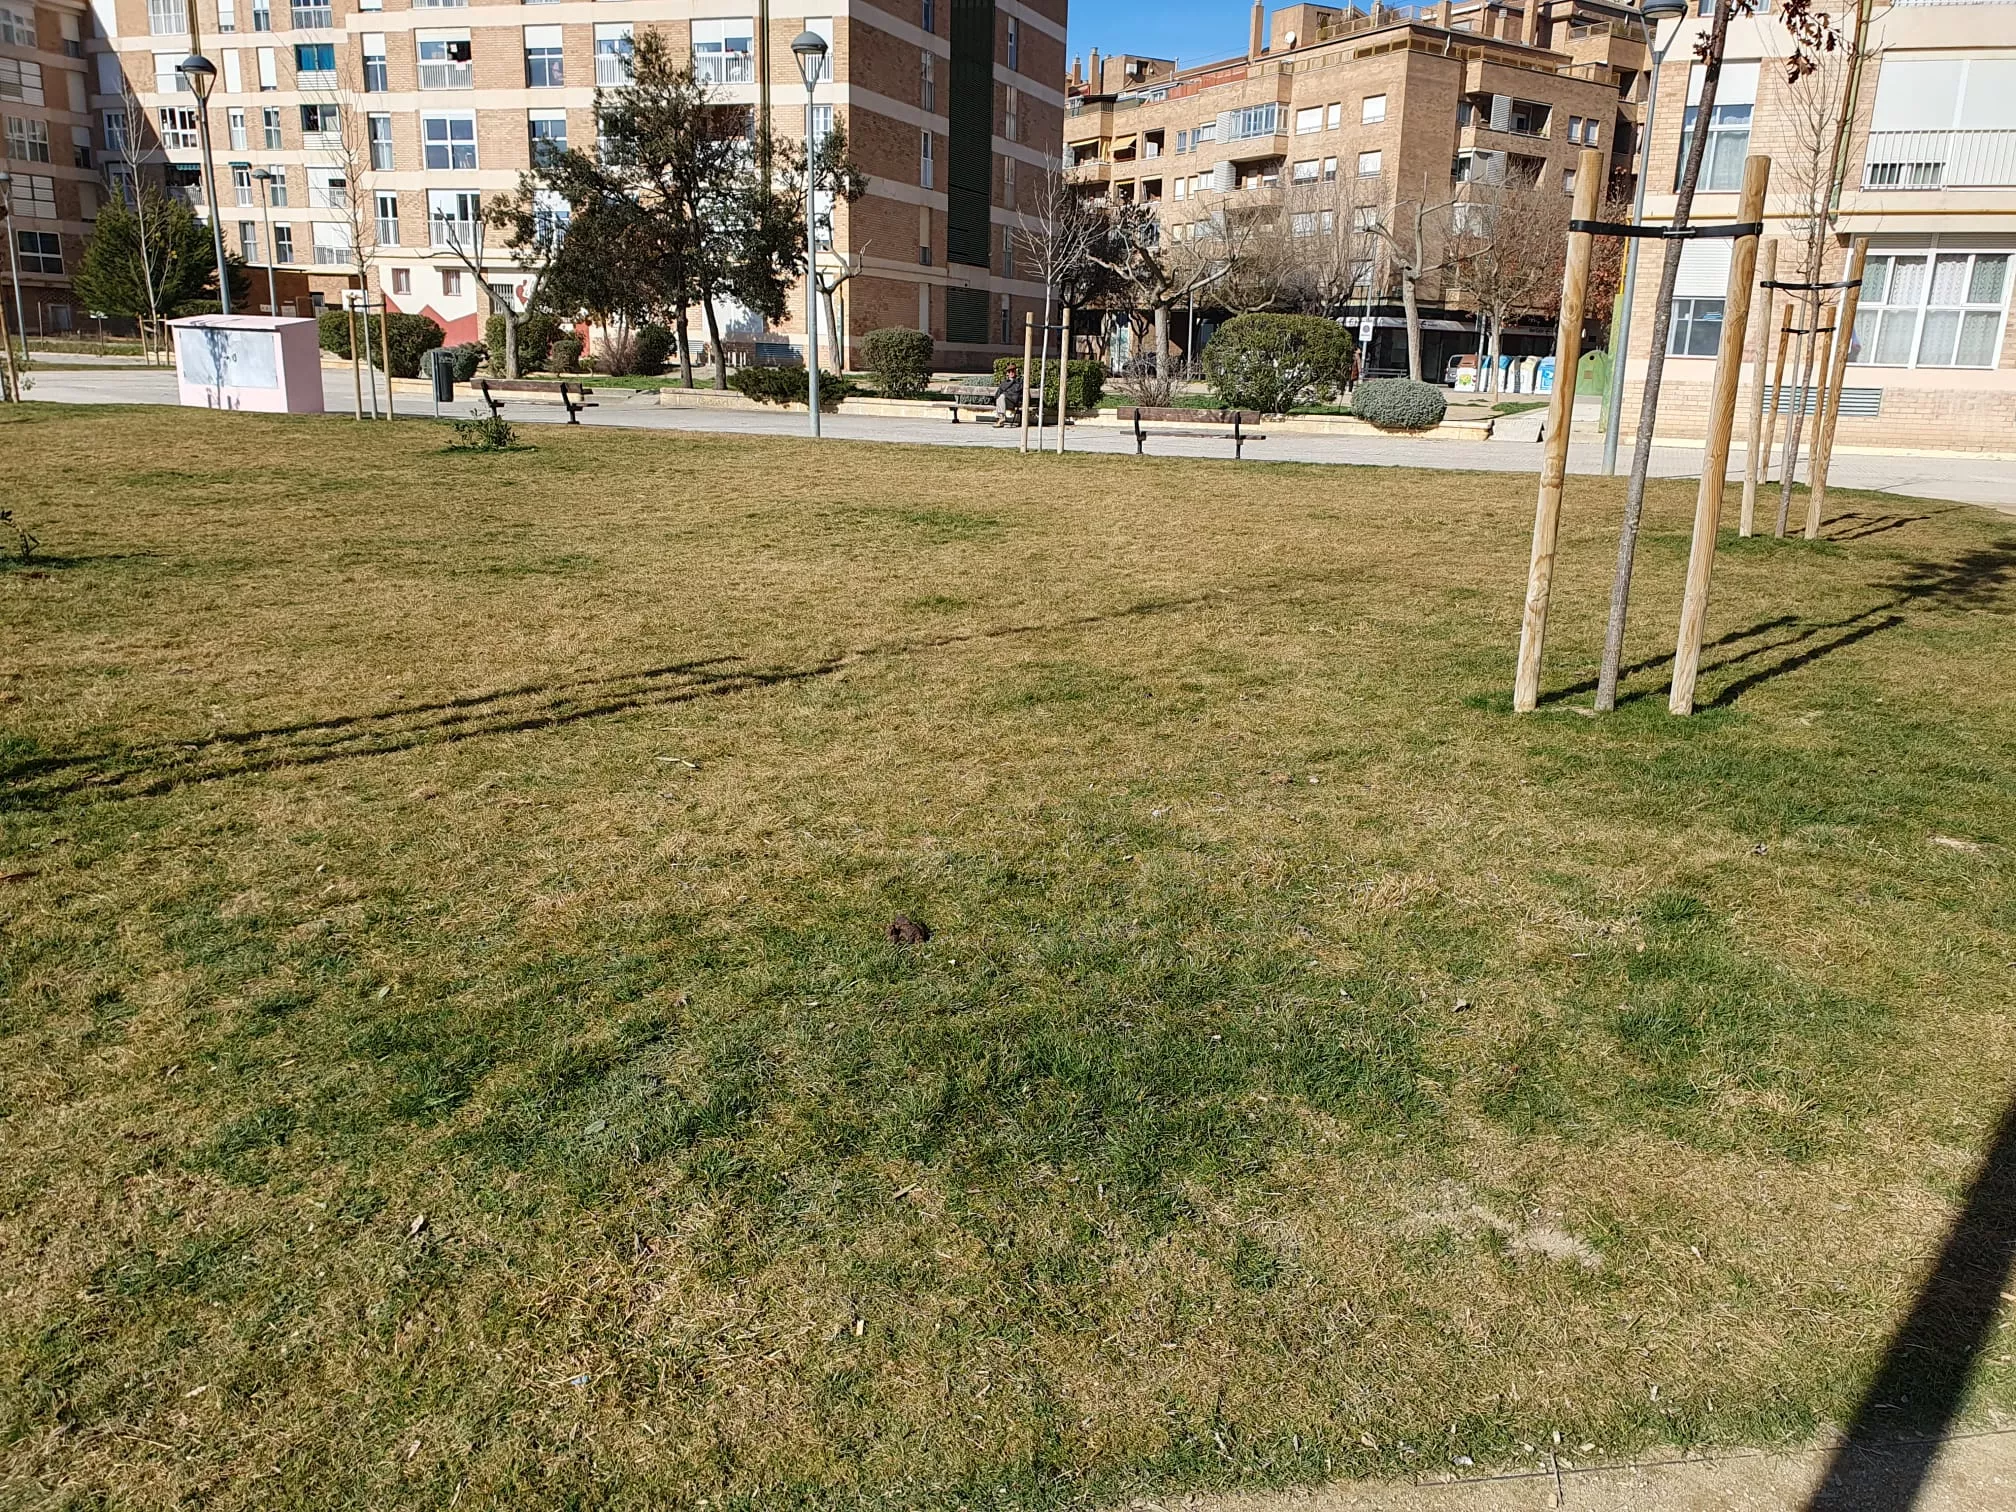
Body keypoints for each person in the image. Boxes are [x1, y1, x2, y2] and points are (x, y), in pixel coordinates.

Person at [992, 362, 1023, 428]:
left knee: (1002, 396)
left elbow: (1015, 393)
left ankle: (1001, 418)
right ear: (1007, 373)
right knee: (1000, 397)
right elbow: (998, 392)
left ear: (1015, 372)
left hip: (1013, 402)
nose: (1011, 373)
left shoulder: (1019, 381)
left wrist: (1005, 393)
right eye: (1009, 371)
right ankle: (1001, 419)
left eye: (1013, 371)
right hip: (1004, 402)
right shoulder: (1004, 382)